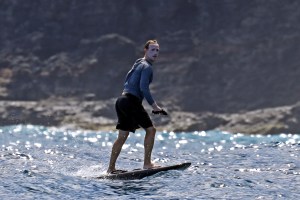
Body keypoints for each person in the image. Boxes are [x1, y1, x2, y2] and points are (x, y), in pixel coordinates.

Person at [107, 40, 167, 174]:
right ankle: (147, 164)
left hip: (121, 100)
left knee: (122, 136)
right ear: (145, 50)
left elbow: (127, 79)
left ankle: (110, 169)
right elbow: (143, 88)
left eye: (157, 50)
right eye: (152, 50)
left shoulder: (138, 63)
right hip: (131, 101)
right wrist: (155, 106)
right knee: (151, 130)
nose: (156, 53)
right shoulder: (147, 67)